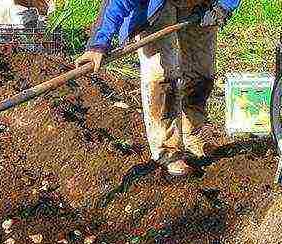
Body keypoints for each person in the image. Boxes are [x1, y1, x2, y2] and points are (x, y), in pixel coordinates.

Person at [76, 0, 241, 176]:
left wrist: (223, 5)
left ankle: (193, 134)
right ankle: (167, 151)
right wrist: (98, 44)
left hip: (203, 4)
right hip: (157, 7)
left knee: (201, 71)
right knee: (163, 79)